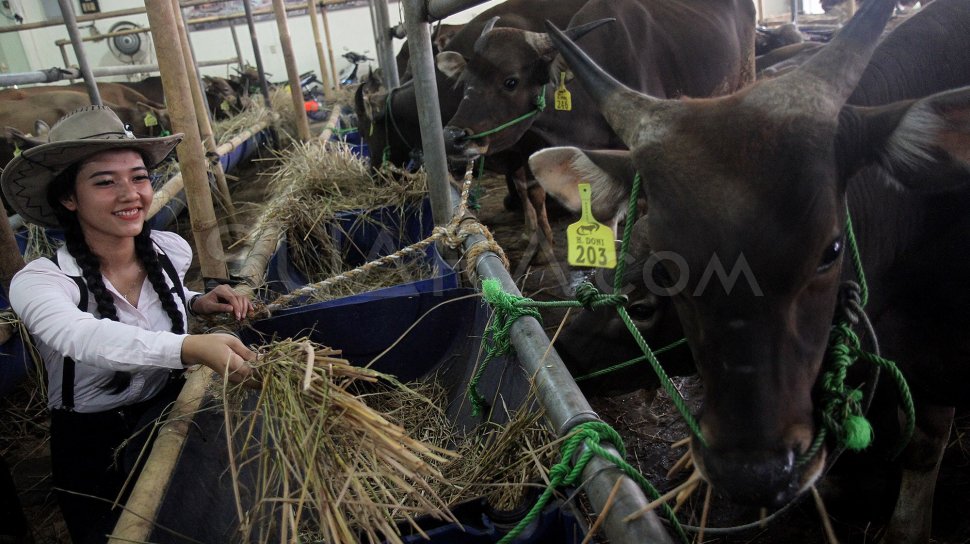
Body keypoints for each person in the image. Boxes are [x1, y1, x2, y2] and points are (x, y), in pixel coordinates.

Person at [1, 105, 258, 543]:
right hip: (92, 446)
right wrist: (187, 348)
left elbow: (153, 303)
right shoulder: (42, 281)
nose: (131, 194)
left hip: (170, 411)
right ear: (68, 198)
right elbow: (81, 336)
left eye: (139, 177)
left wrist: (195, 302)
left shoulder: (168, 251)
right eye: (105, 182)